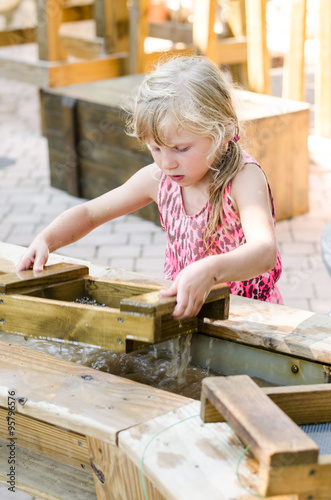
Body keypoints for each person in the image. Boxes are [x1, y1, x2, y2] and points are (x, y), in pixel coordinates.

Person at [16, 56, 283, 319]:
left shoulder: (243, 178)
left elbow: (264, 251)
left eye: (181, 149)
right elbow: (90, 214)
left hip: (251, 317)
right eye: (155, 148)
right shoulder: (158, 180)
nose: (167, 163)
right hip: (187, 311)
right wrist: (46, 240)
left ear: (222, 132)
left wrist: (211, 271)